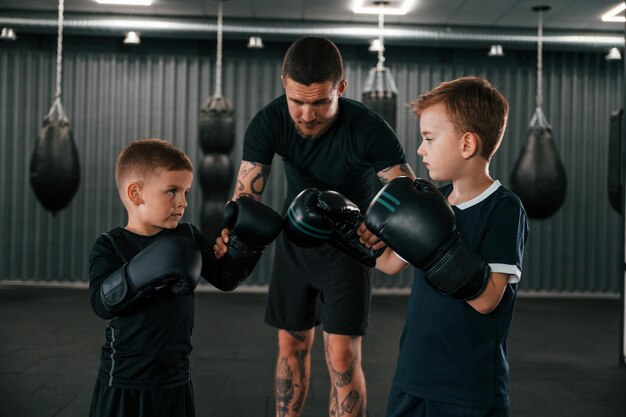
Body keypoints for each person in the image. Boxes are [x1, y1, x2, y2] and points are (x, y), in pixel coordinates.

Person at [213, 36, 415, 417]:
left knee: (342, 355)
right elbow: (246, 197)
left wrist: (383, 225)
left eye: (320, 101)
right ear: (283, 84)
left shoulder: (369, 129)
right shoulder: (269, 121)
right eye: (297, 101)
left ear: (341, 87)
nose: (306, 114)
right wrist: (233, 235)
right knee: (291, 345)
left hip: (349, 243)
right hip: (297, 240)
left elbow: (406, 191)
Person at [361, 76, 530, 417]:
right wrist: (345, 232)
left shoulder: (503, 208)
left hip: (468, 387)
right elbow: (391, 263)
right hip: (413, 375)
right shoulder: (434, 202)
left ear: (467, 144)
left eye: (429, 138)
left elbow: (486, 300)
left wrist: (437, 246)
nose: (420, 149)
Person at [88, 138, 282, 417]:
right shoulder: (110, 244)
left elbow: (225, 279)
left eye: (186, 192)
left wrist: (243, 246)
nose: (183, 202)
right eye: (172, 191)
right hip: (123, 380)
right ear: (135, 193)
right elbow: (100, 303)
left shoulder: (187, 235)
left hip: (176, 377)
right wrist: (149, 267)